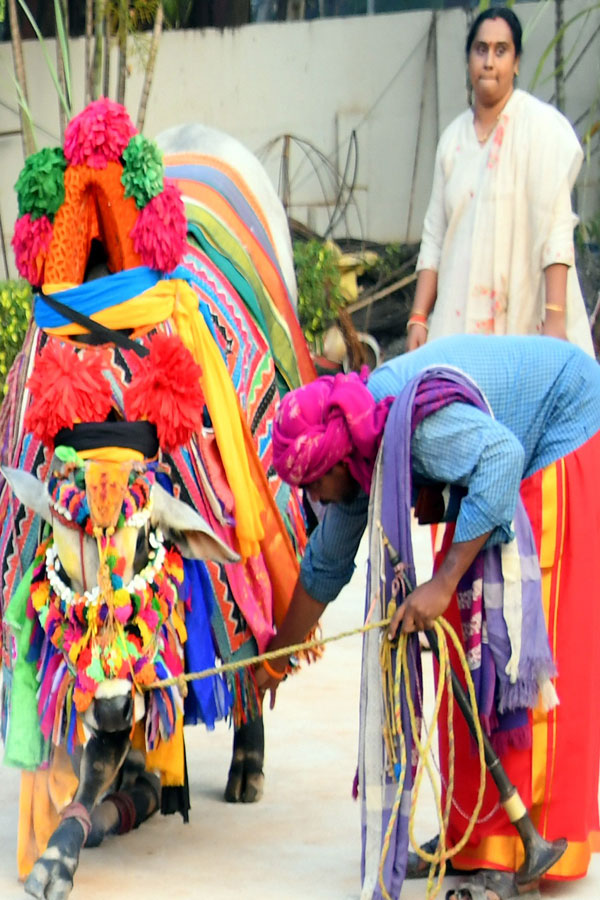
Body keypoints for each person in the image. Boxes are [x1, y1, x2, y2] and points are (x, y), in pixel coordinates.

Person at [255, 334, 600, 900]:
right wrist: (277, 660)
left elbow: (501, 458)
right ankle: (477, 838)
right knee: (464, 641)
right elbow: (325, 565)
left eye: (314, 481)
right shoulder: (358, 455)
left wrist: (441, 584)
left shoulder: (408, 430)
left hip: (563, 427)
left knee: (508, 640)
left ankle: (516, 852)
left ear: (338, 459)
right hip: (511, 444)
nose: (314, 494)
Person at [406, 7, 593, 355]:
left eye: (500, 50)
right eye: (481, 50)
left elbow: (556, 226)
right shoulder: (452, 141)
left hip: (526, 314)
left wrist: (554, 319)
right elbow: (434, 235)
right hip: (460, 318)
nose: (489, 62)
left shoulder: (541, 129)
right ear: (468, 60)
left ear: (516, 62)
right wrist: (418, 317)